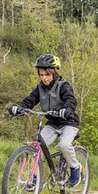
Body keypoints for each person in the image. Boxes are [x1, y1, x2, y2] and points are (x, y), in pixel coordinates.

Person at [9, 54, 82, 187]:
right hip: (52, 124)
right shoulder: (40, 88)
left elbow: (71, 100)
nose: (44, 78)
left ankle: (75, 168)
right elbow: (30, 100)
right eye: (41, 75)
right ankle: (35, 177)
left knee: (64, 145)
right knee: (36, 147)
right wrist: (19, 108)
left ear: (55, 73)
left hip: (69, 122)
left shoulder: (63, 86)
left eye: (47, 74)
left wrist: (68, 110)